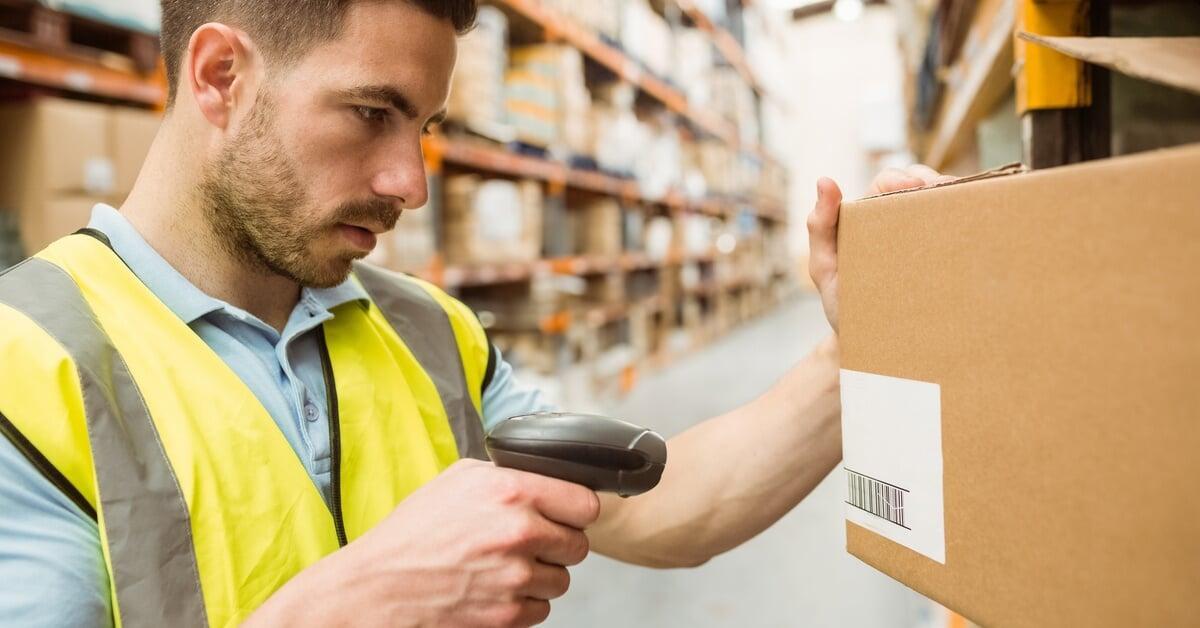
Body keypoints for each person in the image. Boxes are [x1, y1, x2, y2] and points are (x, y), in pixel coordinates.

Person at [0, 1, 948, 626]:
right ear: (218, 76)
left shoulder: (427, 331)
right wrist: (356, 605)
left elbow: (671, 509)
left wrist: (853, 346)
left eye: (423, 128)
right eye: (371, 113)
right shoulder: (26, 367)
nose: (409, 182)